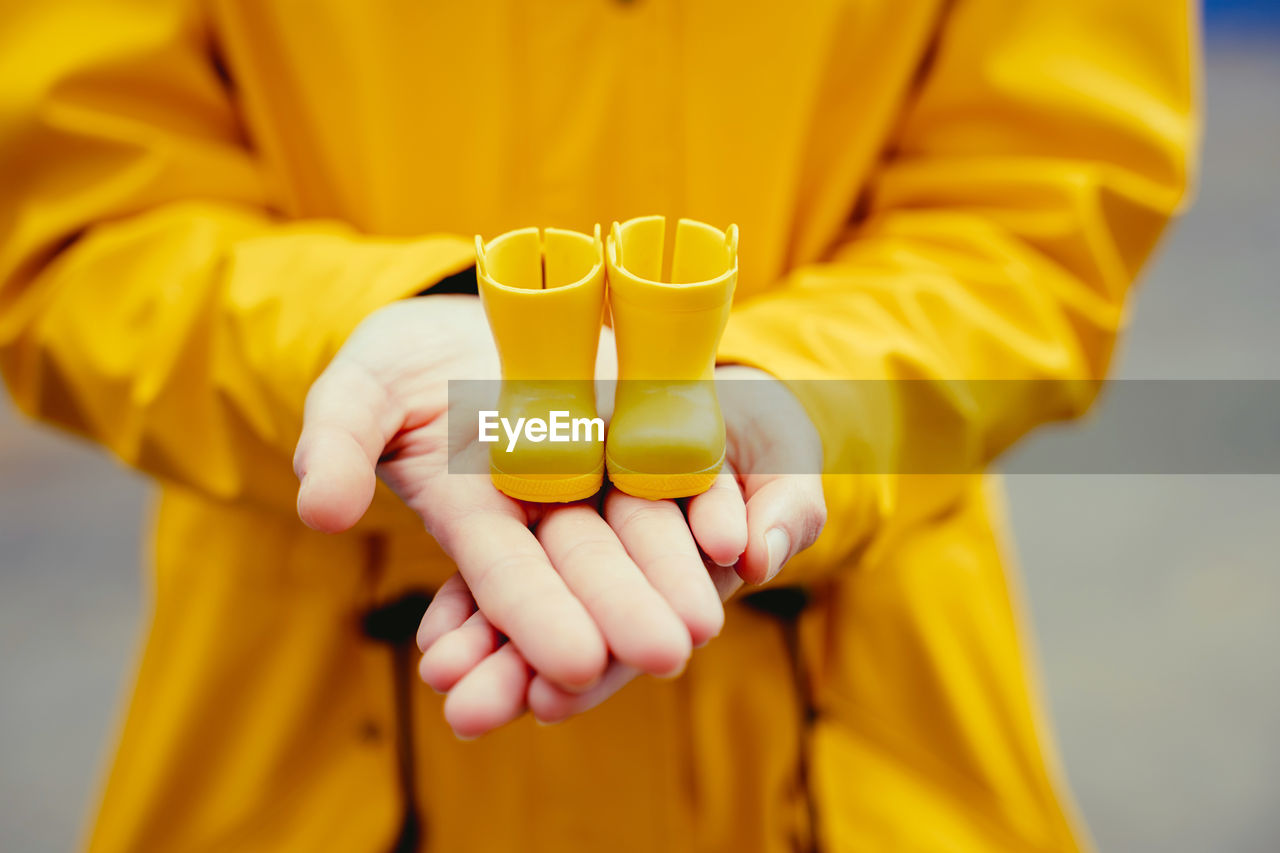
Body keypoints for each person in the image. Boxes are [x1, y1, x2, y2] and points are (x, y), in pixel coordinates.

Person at [0, 1, 1196, 851]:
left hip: (852, 746)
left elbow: (1040, 206)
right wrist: (383, 331)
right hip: (302, 746)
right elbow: (79, 217)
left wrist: (793, 388)